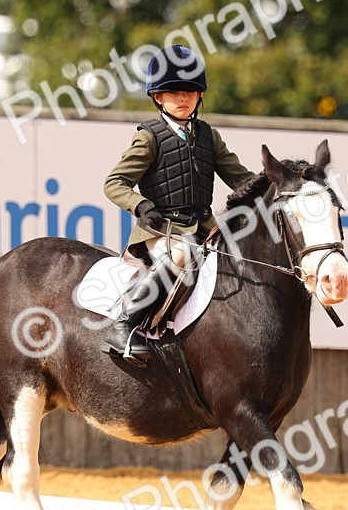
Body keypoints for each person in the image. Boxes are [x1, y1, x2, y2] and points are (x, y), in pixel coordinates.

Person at [102, 44, 257, 364]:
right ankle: (125, 326)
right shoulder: (149, 137)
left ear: (200, 96)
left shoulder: (208, 136)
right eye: (173, 92)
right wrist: (142, 206)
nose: (183, 98)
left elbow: (240, 178)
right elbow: (114, 183)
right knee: (181, 254)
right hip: (160, 230)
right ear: (157, 97)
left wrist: (274, 184)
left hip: (204, 226)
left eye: (190, 91)